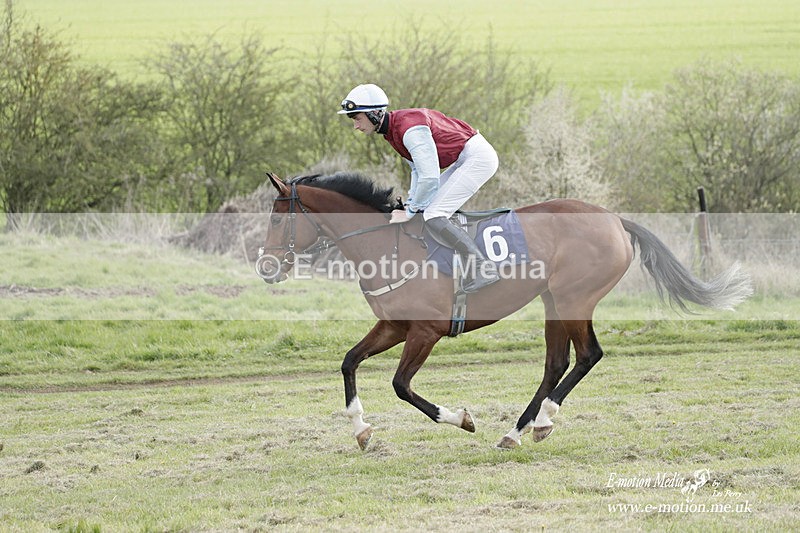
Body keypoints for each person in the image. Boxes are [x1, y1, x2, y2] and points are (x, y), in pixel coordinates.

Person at [338, 83, 500, 293]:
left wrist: (412, 210)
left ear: (375, 114)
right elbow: (417, 171)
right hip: (465, 157)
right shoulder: (393, 131)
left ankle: (483, 268)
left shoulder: (408, 129)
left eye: (357, 119)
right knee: (427, 209)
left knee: (433, 213)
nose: (356, 126)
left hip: (477, 158)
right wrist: (410, 205)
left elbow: (430, 177)